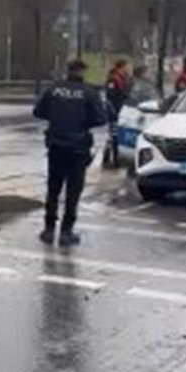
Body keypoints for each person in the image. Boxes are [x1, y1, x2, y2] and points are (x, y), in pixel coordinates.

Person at [33, 59, 107, 247]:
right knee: (73, 191)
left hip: (56, 144)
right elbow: (100, 118)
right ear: (82, 72)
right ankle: (66, 232)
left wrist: (57, 119)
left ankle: (49, 229)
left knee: (53, 188)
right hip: (78, 147)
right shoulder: (89, 92)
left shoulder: (53, 89)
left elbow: (38, 111)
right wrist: (82, 123)